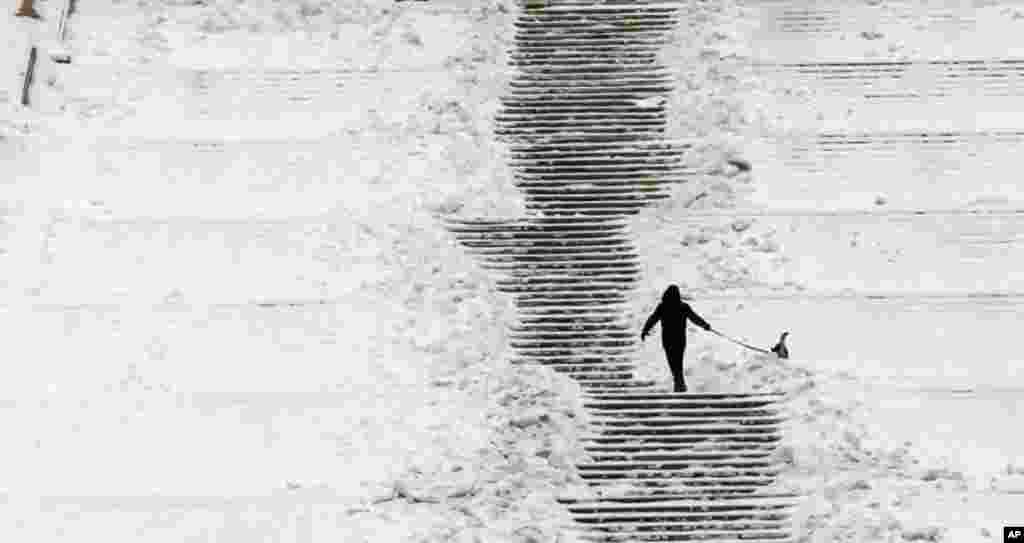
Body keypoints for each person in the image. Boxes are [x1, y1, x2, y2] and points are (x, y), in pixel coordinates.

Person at [640, 285, 713, 393]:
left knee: (672, 362)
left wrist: (645, 330)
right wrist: (705, 325)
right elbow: (695, 318)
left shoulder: (663, 306)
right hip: (680, 340)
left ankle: (679, 384)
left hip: (668, 339)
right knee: (678, 362)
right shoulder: (683, 306)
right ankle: (679, 384)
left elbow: (653, 318)